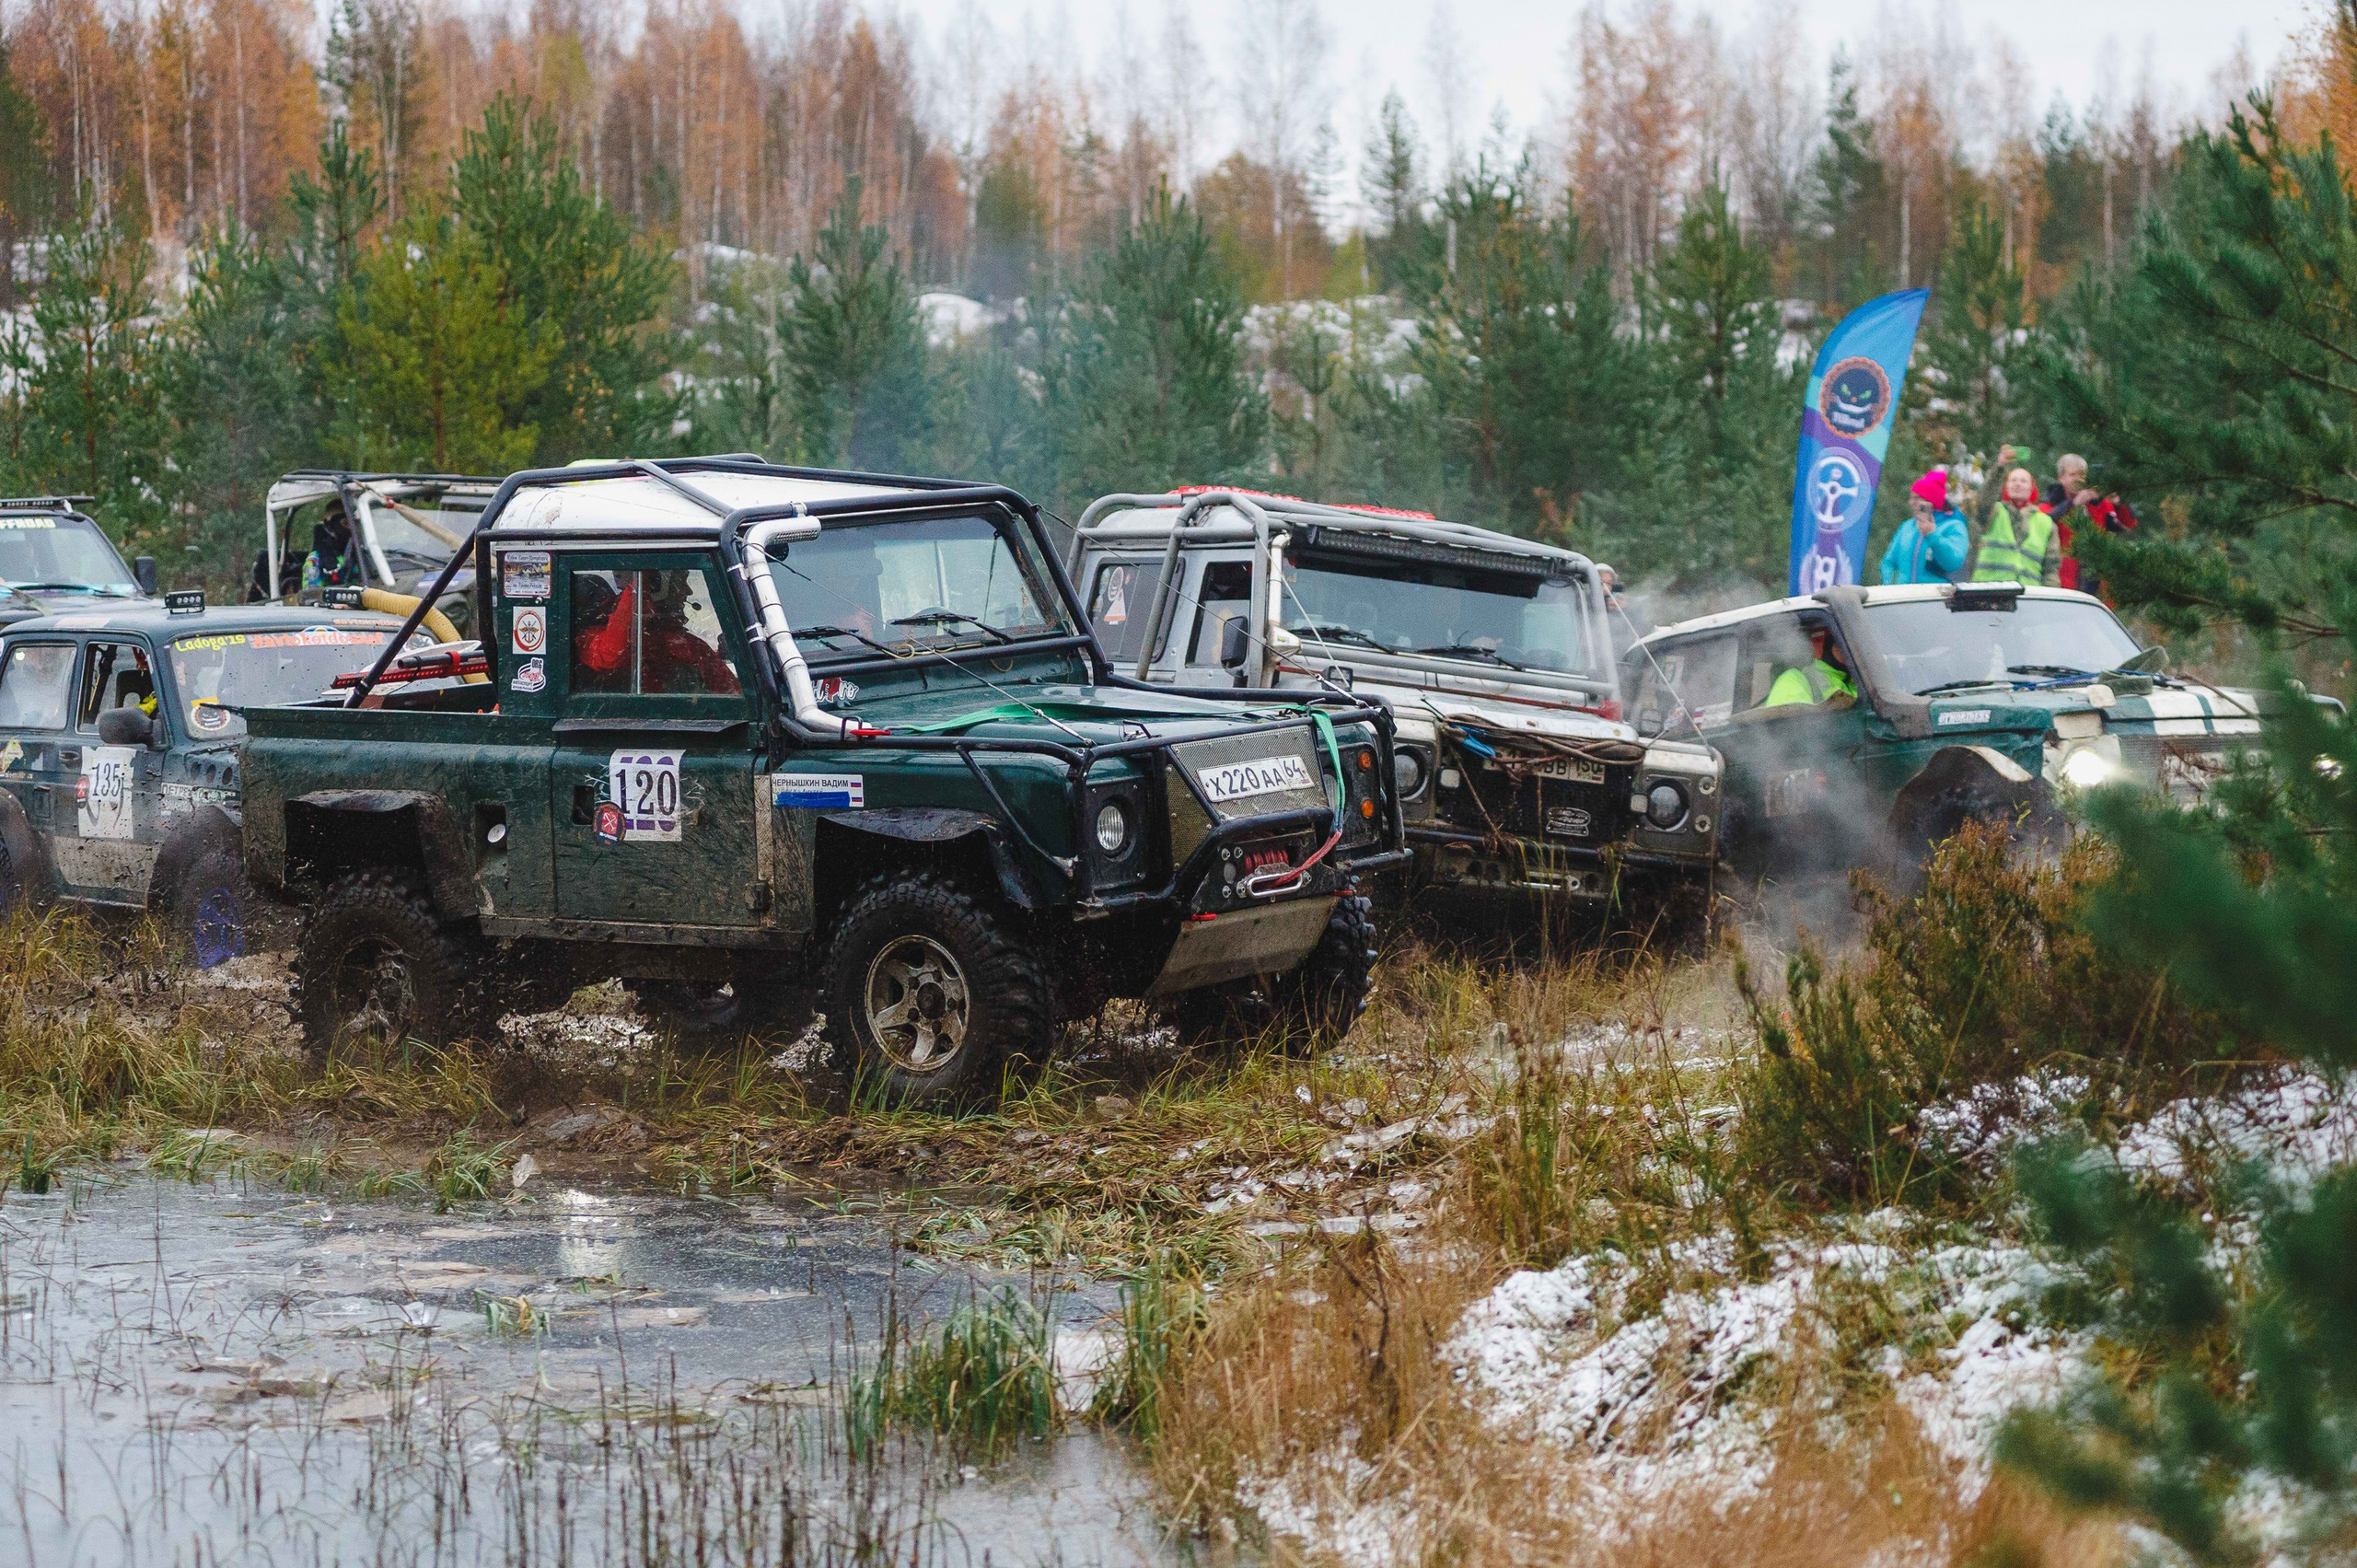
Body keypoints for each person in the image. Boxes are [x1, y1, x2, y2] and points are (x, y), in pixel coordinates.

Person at [2042, 452, 2136, 594]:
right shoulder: (2050, 503)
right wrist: (2073, 504)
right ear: (2061, 478)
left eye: (2082, 475)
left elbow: (2128, 525)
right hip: (2061, 582)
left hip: (2094, 583)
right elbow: (2043, 523)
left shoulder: (2099, 503)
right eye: (2073, 475)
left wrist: (2119, 502)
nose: (2078, 480)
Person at [1971, 462, 2061, 587]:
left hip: (2029, 596)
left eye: (2023, 481)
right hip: (1989, 592)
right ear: (2006, 487)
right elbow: (1983, 501)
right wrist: (1999, 469)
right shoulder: (1993, 511)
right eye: (2013, 480)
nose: (2018, 484)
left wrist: (2050, 597)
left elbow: (2051, 567)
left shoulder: (2046, 523)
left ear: (2031, 489)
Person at [1878, 468, 1970, 585]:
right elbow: (1888, 562)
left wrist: (1932, 536)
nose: (1911, 502)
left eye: (1917, 498)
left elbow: (1953, 563)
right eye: (1911, 497)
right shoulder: (1907, 526)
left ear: (1930, 501)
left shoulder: (1954, 526)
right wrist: (1890, 586)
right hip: (1902, 598)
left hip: (1934, 598)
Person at [1763, 626, 1857, 707]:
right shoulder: (1792, 681)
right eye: (1841, 645)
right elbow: (1791, 726)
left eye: (1853, 644)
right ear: (1818, 649)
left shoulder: (1859, 681)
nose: (1850, 651)